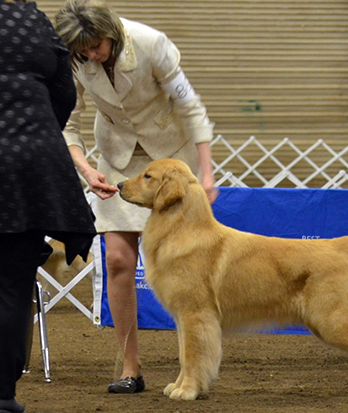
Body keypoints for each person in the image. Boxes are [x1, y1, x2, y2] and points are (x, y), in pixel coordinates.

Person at [55, 0, 218, 394]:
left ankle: (193, 369)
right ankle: (131, 367)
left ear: (112, 32)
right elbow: (69, 121)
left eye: (97, 46)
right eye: (84, 51)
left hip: (171, 161)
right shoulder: (75, 58)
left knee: (189, 272)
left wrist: (207, 169)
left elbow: (190, 105)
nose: (92, 55)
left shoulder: (150, 43)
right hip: (115, 159)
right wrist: (86, 168)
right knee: (117, 260)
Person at [0, 0, 97, 412]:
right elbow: (62, 95)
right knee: (11, 286)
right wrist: (32, 130)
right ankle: (2, 395)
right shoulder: (30, 18)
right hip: (29, 170)